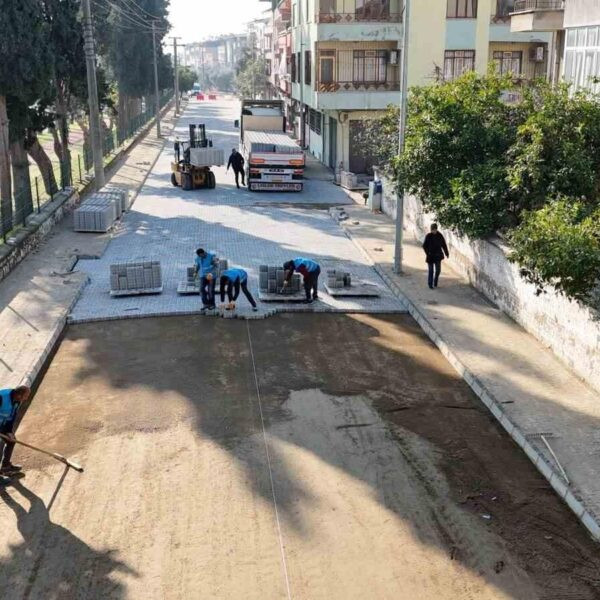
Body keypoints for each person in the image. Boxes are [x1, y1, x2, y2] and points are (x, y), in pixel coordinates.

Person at [0, 386, 31, 475]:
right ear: (19, 395)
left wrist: (9, 432)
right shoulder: (2, 397)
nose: (26, 399)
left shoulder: (17, 401)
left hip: (2, 425)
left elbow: (12, 417)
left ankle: (6, 467)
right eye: (26, 396)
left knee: (12, 441)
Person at [422, 223, 449, 289]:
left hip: (438, 255)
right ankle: (430, 284)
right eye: (432, 230)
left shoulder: (440, 236)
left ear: (436, 229)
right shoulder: (428, 236)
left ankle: (435, 281)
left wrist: (446, 253)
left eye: (434, 230)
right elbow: (424, 246)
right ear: (431, 230)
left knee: (438, 270)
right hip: (430, 256)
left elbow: (444, 245)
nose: (433, 231)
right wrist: (427, 253)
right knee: (431, 271)